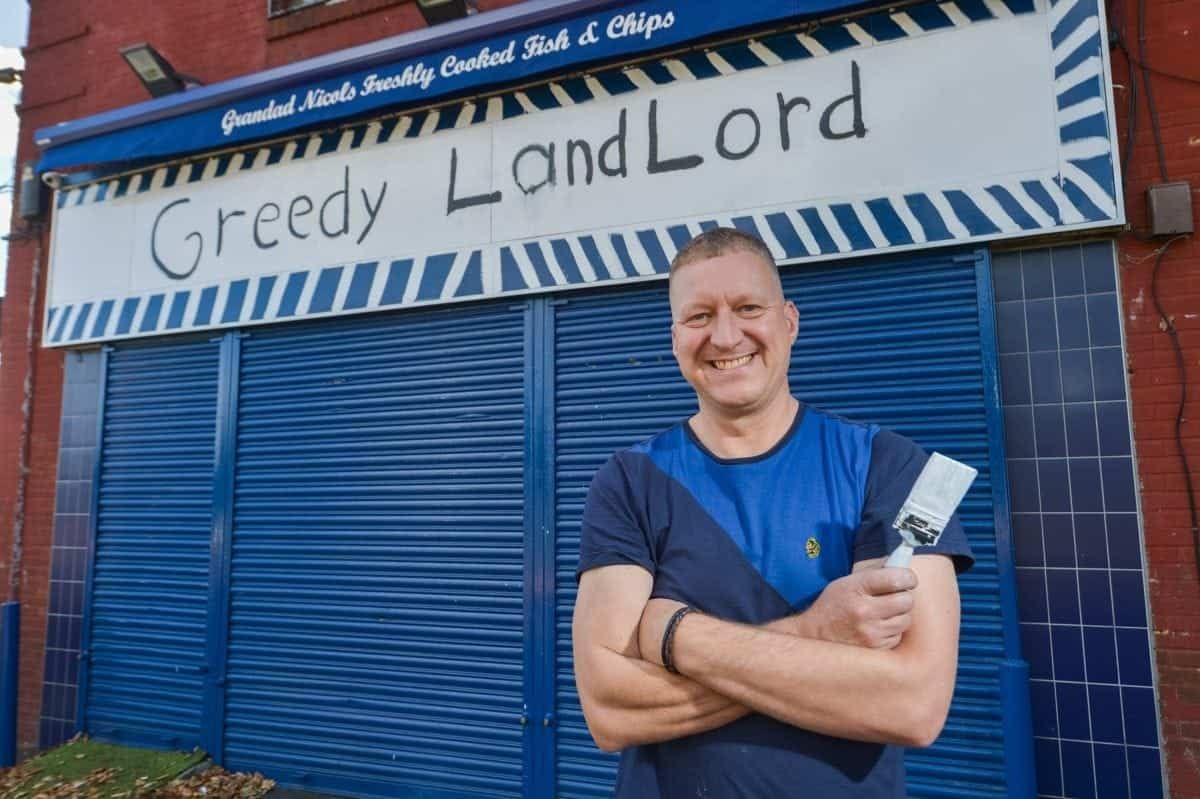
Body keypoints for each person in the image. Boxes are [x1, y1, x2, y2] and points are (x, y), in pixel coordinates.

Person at [571, 227, 974, 798]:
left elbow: (912, 703)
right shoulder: (630, 482)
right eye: (699, 316)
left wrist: (674, 636)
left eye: (748, 307)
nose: (725, 334)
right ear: (674, 337)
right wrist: (815, 633)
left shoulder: (887, 466)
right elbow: (610, 710)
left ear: (789, 321)